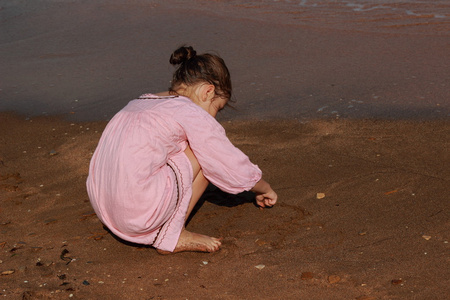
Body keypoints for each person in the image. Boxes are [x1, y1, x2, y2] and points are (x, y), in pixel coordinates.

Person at [86, 46, 277, 254]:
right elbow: (229, 163)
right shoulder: (191, 112)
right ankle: (173, 236)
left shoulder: (138, 102)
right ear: (208, 91)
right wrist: (264, 188)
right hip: (137, 213)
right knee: (206, 155)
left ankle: (130, 217)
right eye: (217, 109)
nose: (212, 118)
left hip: (105, 208)